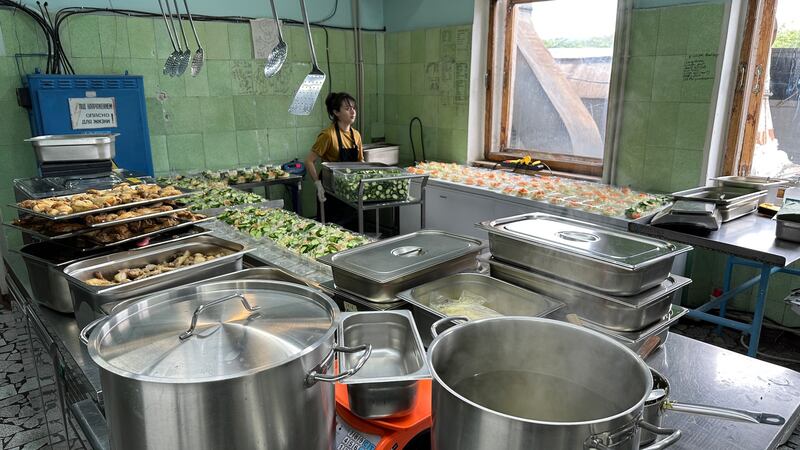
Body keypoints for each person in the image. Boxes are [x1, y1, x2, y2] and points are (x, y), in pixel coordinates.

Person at [305, 92, 363, 224]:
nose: (353, 111)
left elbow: (360, 162)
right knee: (331, 229)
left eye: (354, 108)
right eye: (347, 109)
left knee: (352, 228)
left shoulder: (357, 135)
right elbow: (309, 161)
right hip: (330, 190)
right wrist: (318, 185)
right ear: (336, 112)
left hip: (350, 189)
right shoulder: (328, 135)